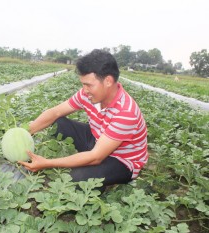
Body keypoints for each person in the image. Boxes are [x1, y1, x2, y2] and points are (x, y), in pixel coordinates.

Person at [18, 49, 148, 191]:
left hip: (121, 161)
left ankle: (99, 185)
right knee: (57, 123)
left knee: (75, 179)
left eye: (89, 85)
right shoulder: (88, 94)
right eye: (83, 84)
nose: (84, 90)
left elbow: (95, 157)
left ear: (108, 81)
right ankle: (91, 172)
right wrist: (25, 132)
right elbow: (56, 112)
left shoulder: (126, 113)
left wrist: (47, 163)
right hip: (98, 140)